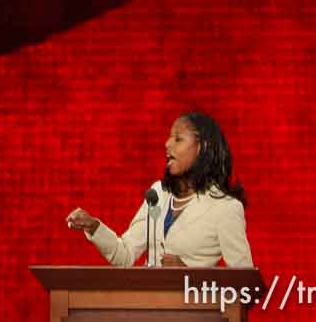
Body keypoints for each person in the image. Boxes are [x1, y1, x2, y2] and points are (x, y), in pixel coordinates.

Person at [65, 112, 253, 268]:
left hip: (193, 310)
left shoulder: (225, 207)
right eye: (170, 138)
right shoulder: (158, 193)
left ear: (202, 147)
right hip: (146, 308)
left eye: (178, 139)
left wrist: (193, 278)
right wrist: (94, 227)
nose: (167, 144)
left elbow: (245, 288)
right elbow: (125, 255)